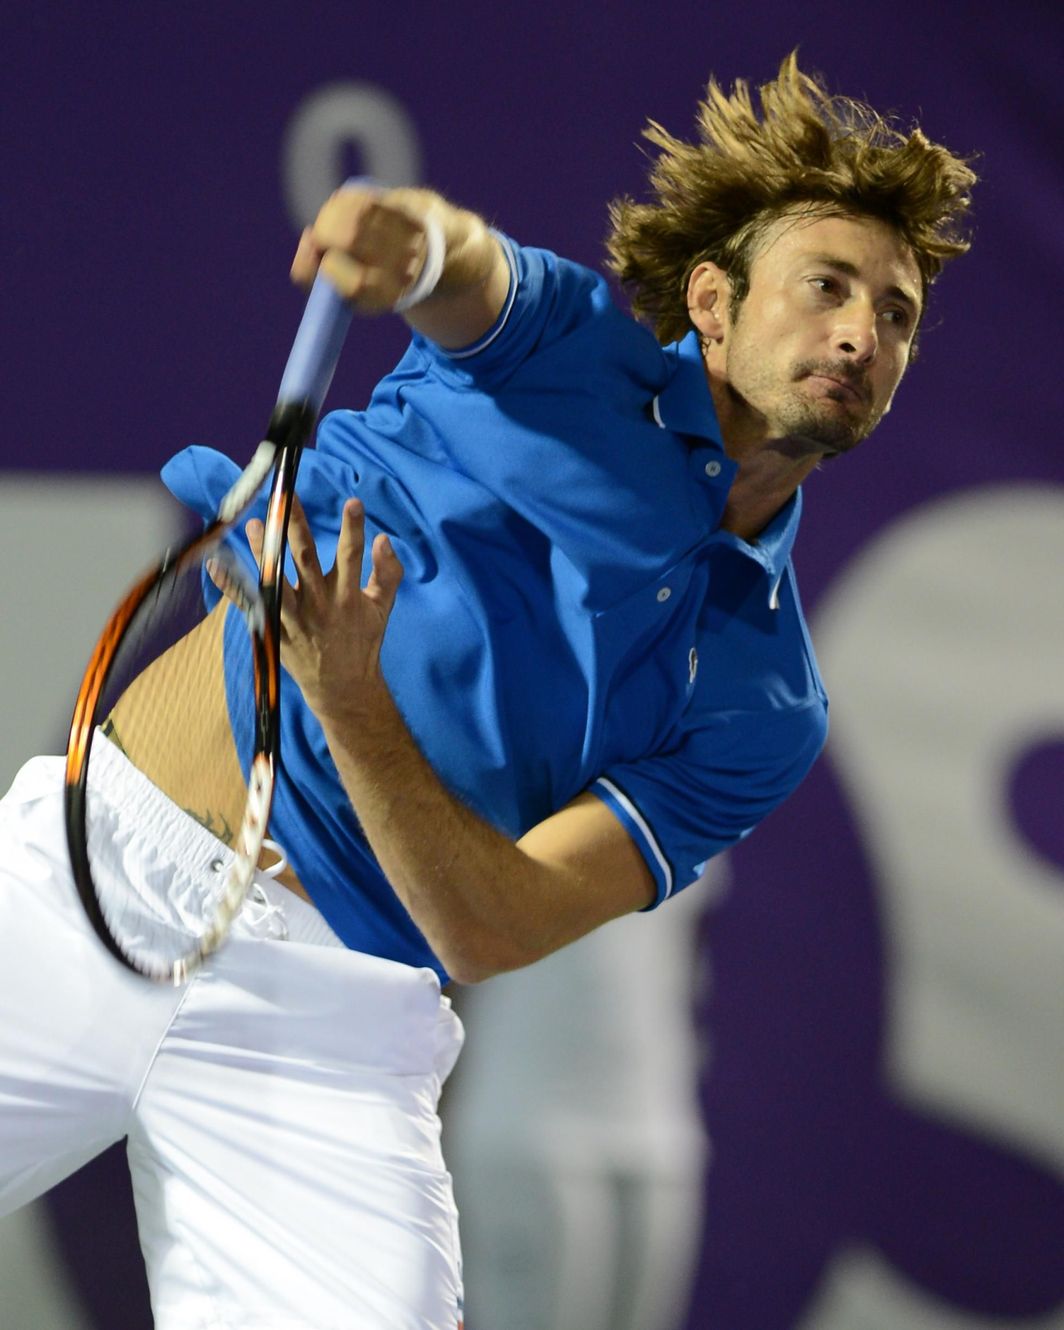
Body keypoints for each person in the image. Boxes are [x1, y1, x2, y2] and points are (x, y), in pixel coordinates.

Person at [0, 53, 974, 1330]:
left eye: (894, 313)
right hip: (90, 888)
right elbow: (466, 273)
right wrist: (403, 241)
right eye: (826, 287)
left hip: (340, 1020)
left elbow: (494, 928)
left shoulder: (767, 702)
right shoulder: (568, 357)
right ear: (713, 304)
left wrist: (350, 698)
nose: (860, 332)